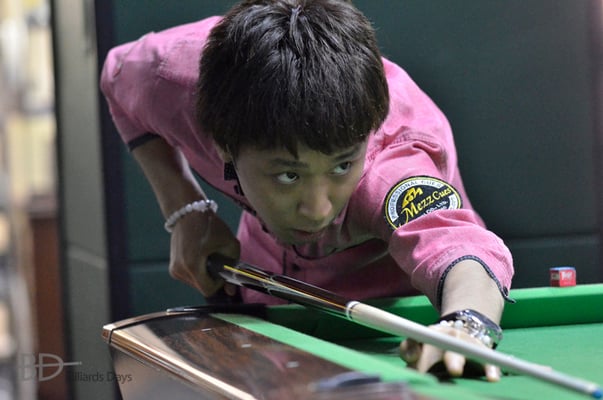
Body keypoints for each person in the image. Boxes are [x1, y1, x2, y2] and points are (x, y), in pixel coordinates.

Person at [100, 0, 514, 382]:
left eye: (342, 166)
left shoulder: (394, 169)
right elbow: (116, 76)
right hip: (261, 294)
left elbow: (459, 247)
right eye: (289, 176)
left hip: (388, 332)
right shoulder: (171, 76)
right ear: (224, 144)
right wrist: (186, 211)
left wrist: (466, 325)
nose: (318, 210)